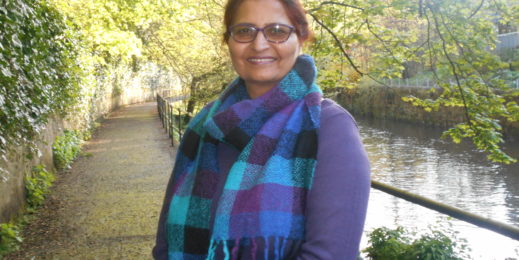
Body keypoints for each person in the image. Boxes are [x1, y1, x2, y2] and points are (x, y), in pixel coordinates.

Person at [153, 0, 370, 259]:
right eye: (244, 31)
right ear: (228, 41)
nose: (259, 44)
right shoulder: (206, 124)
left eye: (277, 31)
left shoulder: (329, 128)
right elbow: (165, 243)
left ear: (301, 37)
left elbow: (331, 255)